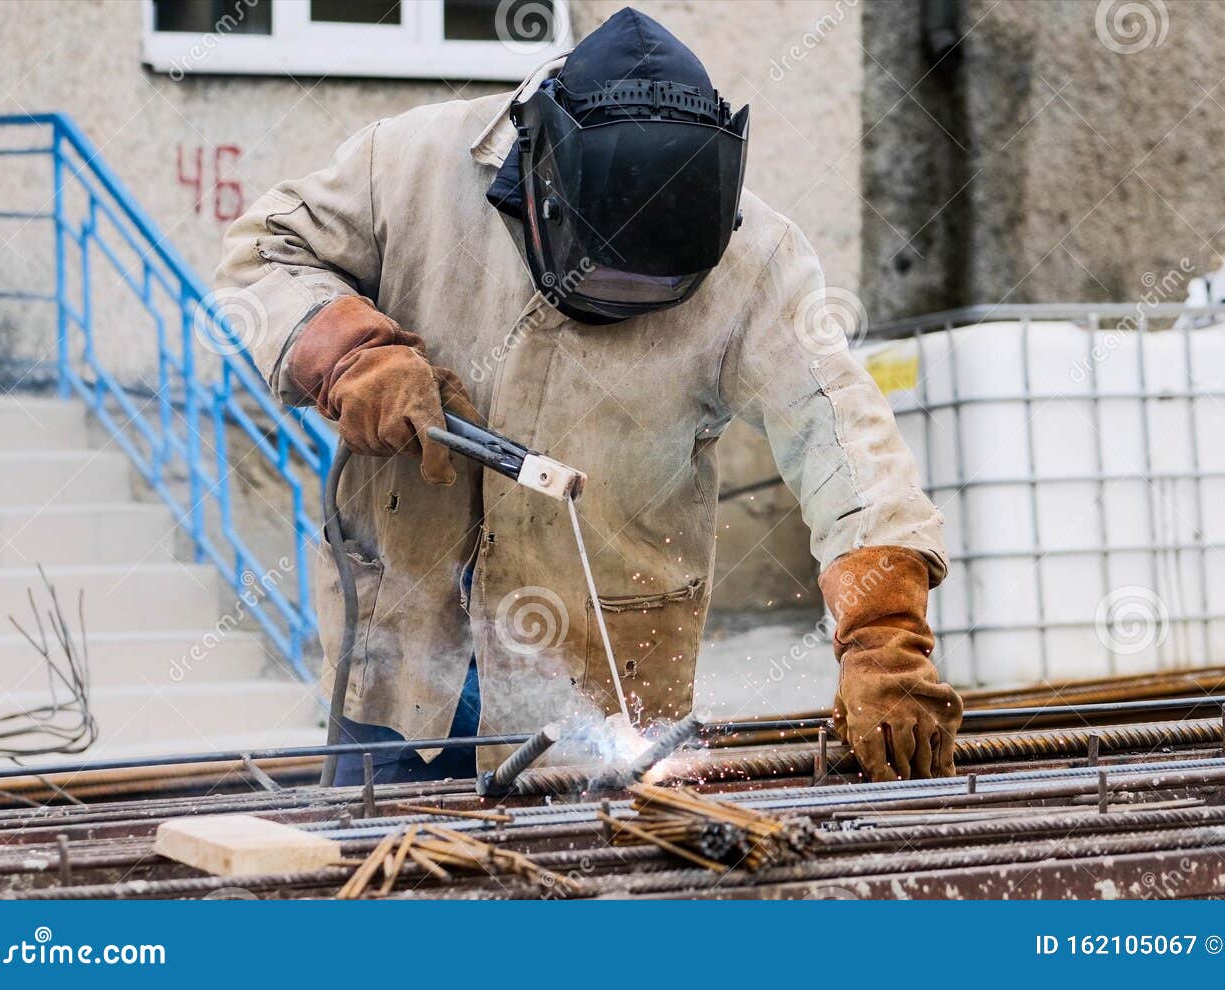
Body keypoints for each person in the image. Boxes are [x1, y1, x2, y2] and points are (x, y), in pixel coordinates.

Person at [217, 7, 960, 785]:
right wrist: (353, 355)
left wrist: (884, 633)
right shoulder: (410, 166)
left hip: (607, 681)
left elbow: (841, 436)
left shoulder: (758, 259)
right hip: (402, 655)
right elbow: (264, 253)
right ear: (540, 184)